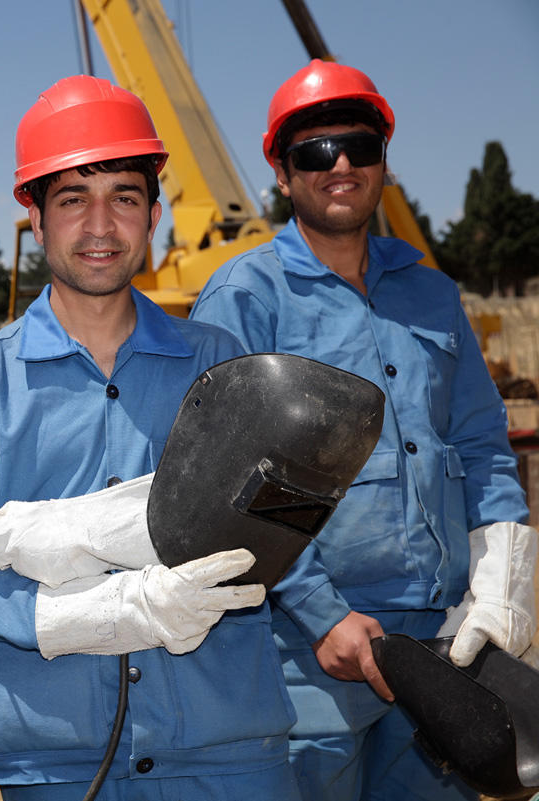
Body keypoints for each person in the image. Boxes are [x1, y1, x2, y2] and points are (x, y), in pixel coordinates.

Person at [0, 74, 302, 800]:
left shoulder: (222, 368)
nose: (100, 225)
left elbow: (278, 529)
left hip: (224, 750)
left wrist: (94, 533)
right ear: (32, 215)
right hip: (58, 759)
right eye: (72, 200)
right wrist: (92, 616)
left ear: (153, 215)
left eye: (124, 197)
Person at [190, 59, 538, 801]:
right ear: (283, 175)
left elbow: (481, 445)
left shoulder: (432, 293)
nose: (339, 164)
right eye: (314, 151)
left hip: (441, 642)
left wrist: (501, 581)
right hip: (301, 652)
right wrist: (322, 613)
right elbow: (226, 477)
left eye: (359, 145)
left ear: (383, 160)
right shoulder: (244, 296)